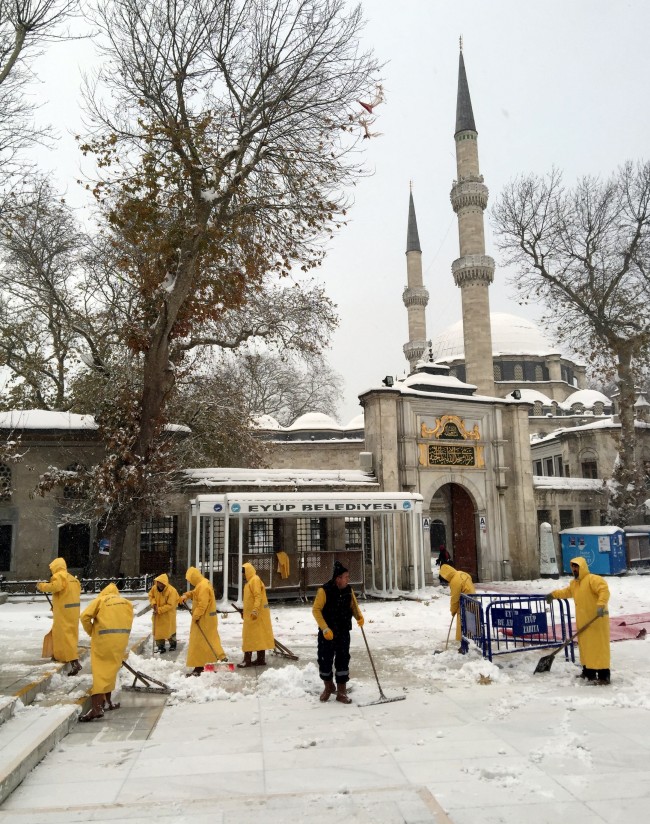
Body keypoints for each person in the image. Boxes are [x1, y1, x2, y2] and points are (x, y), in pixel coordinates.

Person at [546, 556, 611, 684]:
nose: (575, 569)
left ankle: (604, 676)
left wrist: (600, 605)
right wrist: (553, 595)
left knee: (599, 648)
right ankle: (588, 673)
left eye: (577, 566)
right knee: (586, 648)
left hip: (596, 620)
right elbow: (566, 592)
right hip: (583, 622)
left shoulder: (593, 579)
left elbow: (604, 591)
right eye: (573, 567)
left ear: (583, 567)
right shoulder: (574, 584)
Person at [79, 582, 134, 721]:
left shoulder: (101, 600)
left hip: (103, 641)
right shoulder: (126, 603)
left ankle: (97, 708)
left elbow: (84, 617)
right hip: (120, 641)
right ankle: (108, 702)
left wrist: (91, 631)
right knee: (110, 671)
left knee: (100, 673)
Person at [312, 560, 364, 705]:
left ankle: (341, 692)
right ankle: (329, 686)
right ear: (338, 578)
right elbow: (316, 610)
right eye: (346, 577)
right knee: (325, 660)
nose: (348, 579)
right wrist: (325, 628)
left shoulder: (349, 590)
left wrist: (359, 617)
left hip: (343, 631)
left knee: (343, 659)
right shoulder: (324, 591)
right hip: (328, 633)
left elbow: (353, 606)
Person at [36, 557, 82, 676]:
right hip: (73, 610)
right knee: (70, 634)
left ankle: (74, 661)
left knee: (64, 635)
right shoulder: (73, 579)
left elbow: (55, 587)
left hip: (64, 611)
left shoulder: (59, 576)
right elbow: (68, 593)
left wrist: (42, 586)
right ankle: (59, 655)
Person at [178, 566, 227, 676]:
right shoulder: (202, 583)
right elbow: (195, 592)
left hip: (204, 619)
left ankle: (200, 667)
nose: (190, 582)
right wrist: (186, 595)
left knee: (200, 643)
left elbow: (202, 604)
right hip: (207, 619)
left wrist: (195, 616)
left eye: (190, 579)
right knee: (208, 641)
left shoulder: (203, 586)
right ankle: (211, 662)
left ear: (194, 577)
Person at [238, 562, 275, 668]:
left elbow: (258, 596)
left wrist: (255, 611)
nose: (243, 575)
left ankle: (247, 660)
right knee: (260, 636)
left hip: (256, 615)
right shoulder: (251, 581)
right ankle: (260, 659)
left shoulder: (254, 580)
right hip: (254, 614)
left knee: (249, 637)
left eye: (244, 572)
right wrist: (245, 612)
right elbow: (249, 600)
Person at [438, 563, 476, 649]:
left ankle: (464, 645)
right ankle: (479, 642)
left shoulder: (455, 581)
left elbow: (455, 598)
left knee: (462, 624)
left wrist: (453, 610)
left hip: (465, 604)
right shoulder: (462, 573)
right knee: (473, 624)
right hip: (473, 601)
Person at [148, 573, 179, 653]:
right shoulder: (154, 588)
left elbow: (171, 605)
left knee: (170, 630)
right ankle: (160, 646)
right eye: (158, 583)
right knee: (158, 631)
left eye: (161, 583)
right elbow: (151, 596)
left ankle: (173, 644)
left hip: (168, 615)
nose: (160, 585)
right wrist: (153, 604)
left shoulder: (172, 591)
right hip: (158, 615)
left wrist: (159, 610)